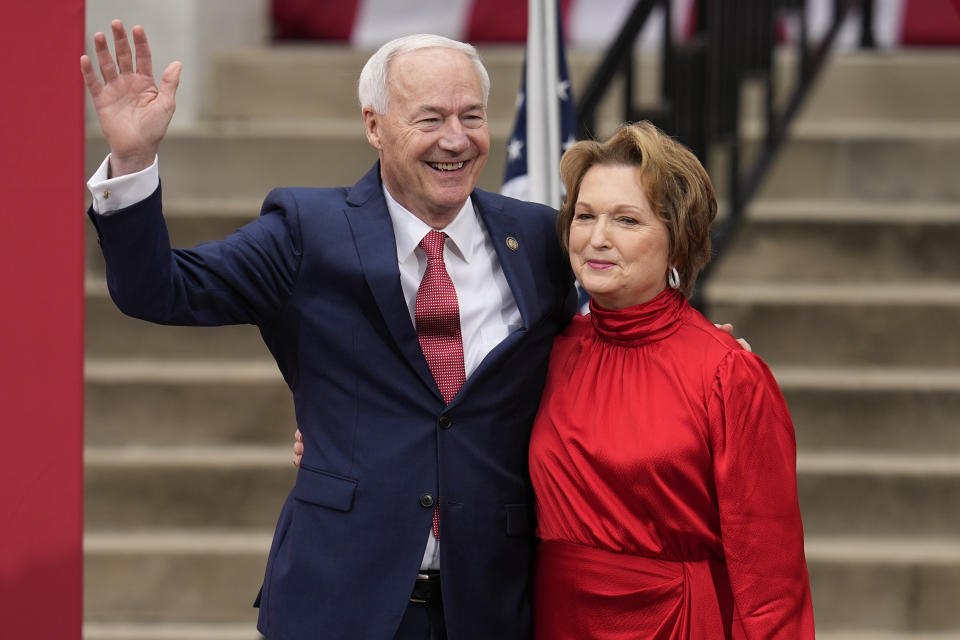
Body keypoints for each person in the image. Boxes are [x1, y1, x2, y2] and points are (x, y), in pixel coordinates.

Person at [82, 21, 576, 640]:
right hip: (340, 599)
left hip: (492, 602)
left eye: (471, 115)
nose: (457, 139)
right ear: (374, 126)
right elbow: (160, 289)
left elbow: (603, 346)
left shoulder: (537, 237)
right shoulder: (305, 230)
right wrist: (133, 159)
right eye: (429, 119)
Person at [528, 122, 814, 638]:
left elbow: (771, 579)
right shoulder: (547, 352)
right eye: (585, 215)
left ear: (677, 243)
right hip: (556, 618)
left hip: (672, 622)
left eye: (627, 220)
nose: (597, 238)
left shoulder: (727, 373)